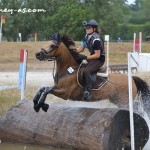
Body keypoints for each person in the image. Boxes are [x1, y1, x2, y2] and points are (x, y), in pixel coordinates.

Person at [76, 19, 105, 100]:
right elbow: (81, 49)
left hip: (99, 59)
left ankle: (88, 91)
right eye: (86, 28)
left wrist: (85, 57)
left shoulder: (96, 40)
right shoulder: (86, 36)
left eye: (88, 28)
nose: (87, 29)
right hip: (92, 58)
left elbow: (97, 55)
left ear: (94, 29)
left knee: (86, 71)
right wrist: (72, 50)